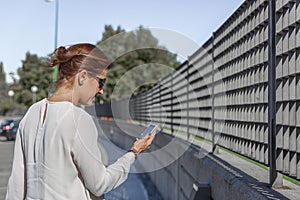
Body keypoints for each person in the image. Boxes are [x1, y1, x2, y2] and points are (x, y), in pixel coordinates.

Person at [6, 43, 156, 200]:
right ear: (83, 76)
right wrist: (133, 153)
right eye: (101, 82)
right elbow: (99, 184)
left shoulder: (32, 112)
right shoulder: (79, 119)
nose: (101, 90)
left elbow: (16, 185)